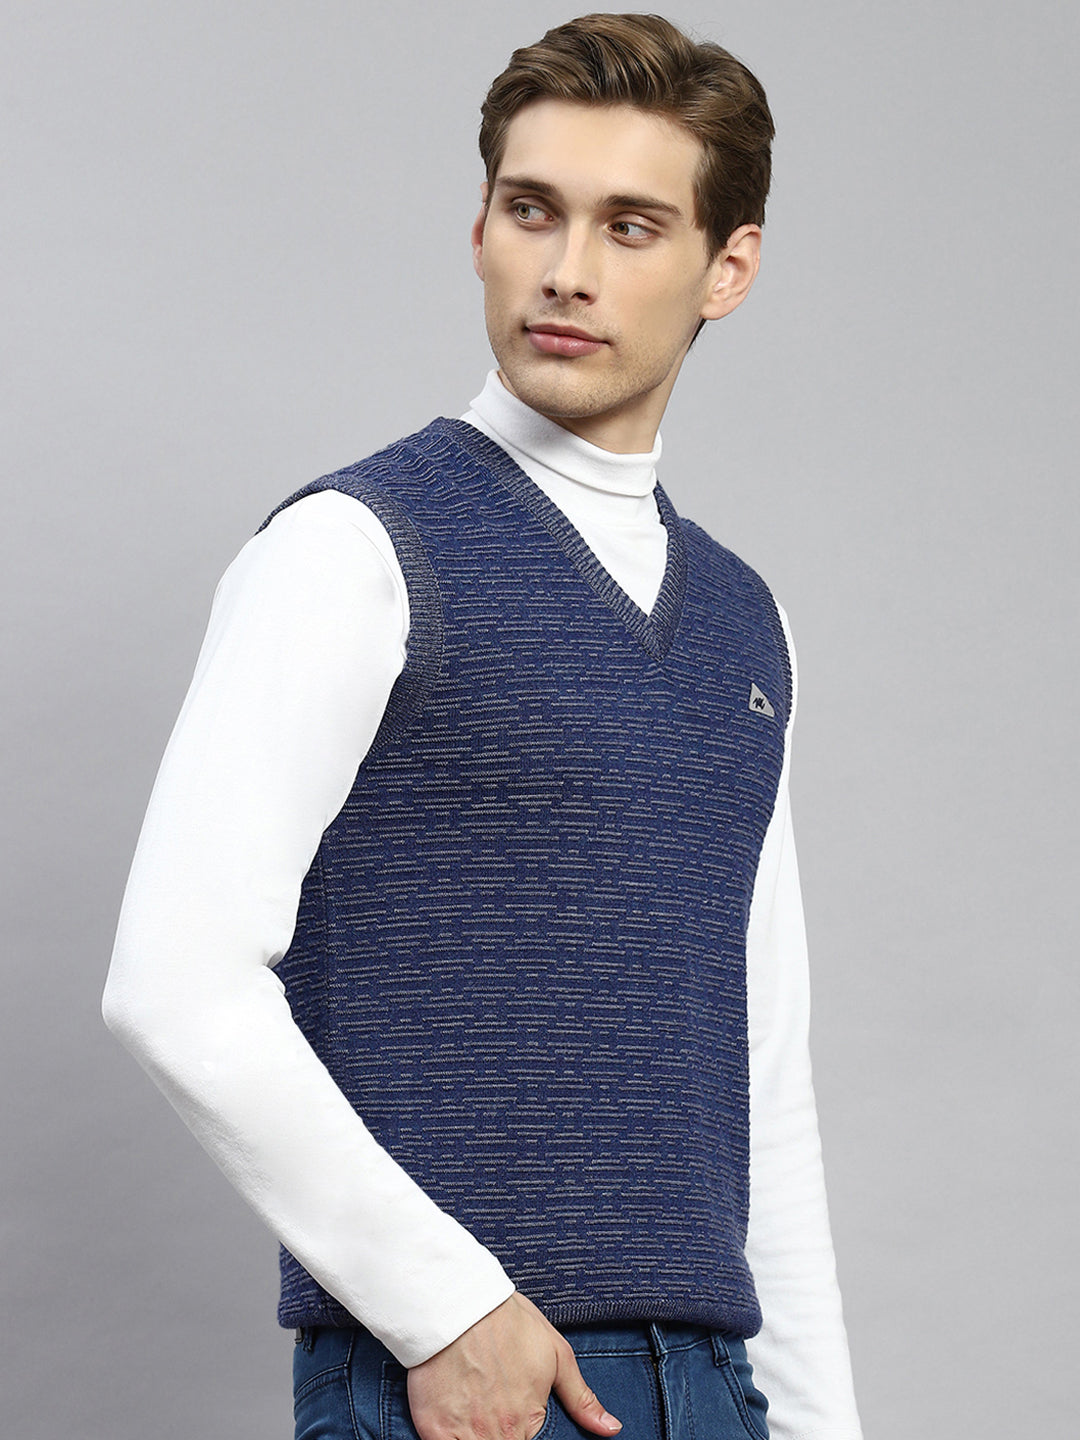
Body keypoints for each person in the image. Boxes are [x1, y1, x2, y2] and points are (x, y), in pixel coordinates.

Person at [103, 13, 863, 1440]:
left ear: (730, 266)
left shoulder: (746, 624)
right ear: (481, 229)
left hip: (717, 1389)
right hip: (464, 1386)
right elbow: (173, 979)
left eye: (631, 226)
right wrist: (443, 1307)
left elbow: (761, 1077)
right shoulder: (353, 549)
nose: (567, 269)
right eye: (532, 210)